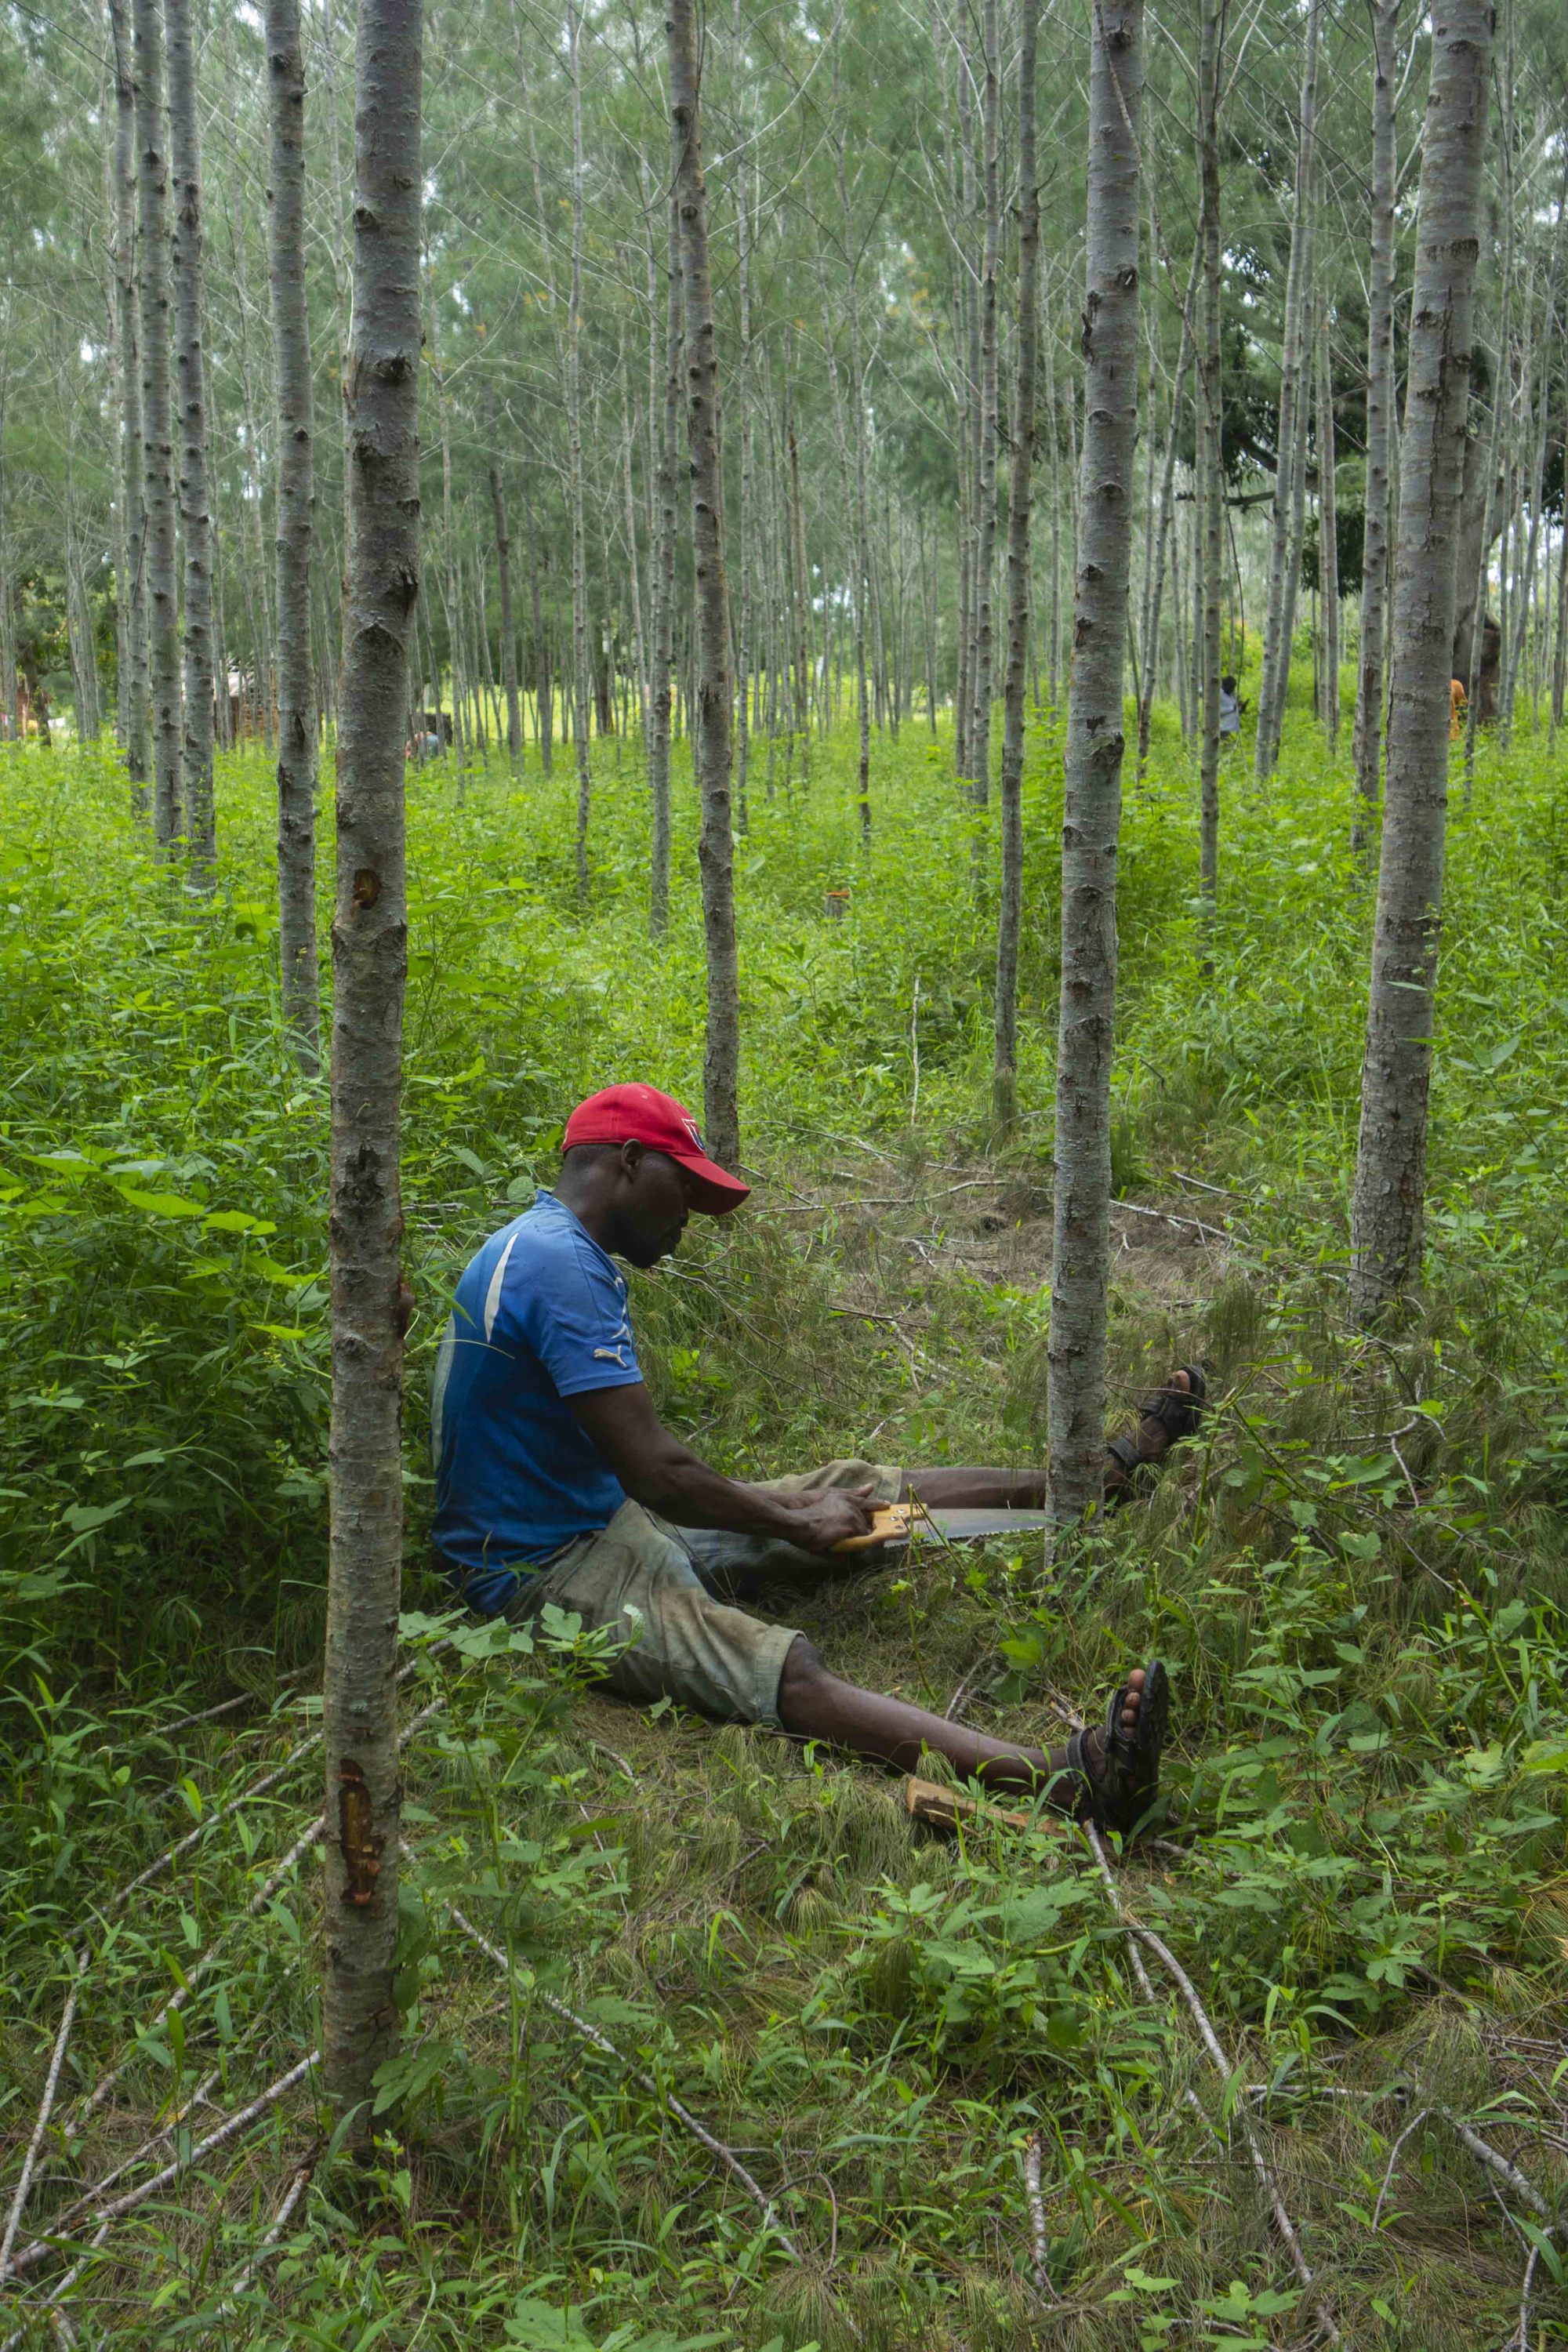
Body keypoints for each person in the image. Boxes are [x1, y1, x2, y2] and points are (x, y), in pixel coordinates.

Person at [430, 1085, 1208, 1832]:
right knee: (780, 1664)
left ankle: (1085, 1491)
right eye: (685, 1195)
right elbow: (657, 1474)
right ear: (628, 1162)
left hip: (603, 1517)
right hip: (540, 1570)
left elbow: (647, 1471)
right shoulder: (555, 1261)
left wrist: (798, 1511)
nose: (685, 1224)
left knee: (850, 1494)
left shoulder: (546, 1247)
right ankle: (1067, 1779)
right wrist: (788, 1522)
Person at [1218, 674, 1243, 743]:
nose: (1232, 689)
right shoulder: (1219, 694)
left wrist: (1240, 708)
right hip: (1225, 729)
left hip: (1234, 729)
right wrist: (1233, 708)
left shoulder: (1231, 696)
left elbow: (1234, 711)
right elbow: (1217, 711)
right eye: (1231, 687)